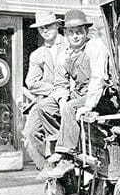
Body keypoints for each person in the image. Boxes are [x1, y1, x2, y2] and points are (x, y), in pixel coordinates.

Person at [39, 9, 112, 180]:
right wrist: (62, 99)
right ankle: (60, 144)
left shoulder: (95, 46)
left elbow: (98, 78)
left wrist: (88, 105)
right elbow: (61, 84)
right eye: (71, 32)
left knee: (71, 109)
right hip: (78, 94)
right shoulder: (64, 55)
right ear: (65, 33)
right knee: (44, 107)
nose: (76, 36)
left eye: (79, 32)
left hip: (100, 95)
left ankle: (67, 157)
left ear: (86, 32)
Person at [21, 12, 67, 171]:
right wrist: (55, 90)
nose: (45, 30)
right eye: (41, 28)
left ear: (57, 25)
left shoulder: (71, 44)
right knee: (30, 133)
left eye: (48, 26)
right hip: (48, 98)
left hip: (72, 96)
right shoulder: (37, 55)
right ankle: (48, 169)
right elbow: (31, 83)